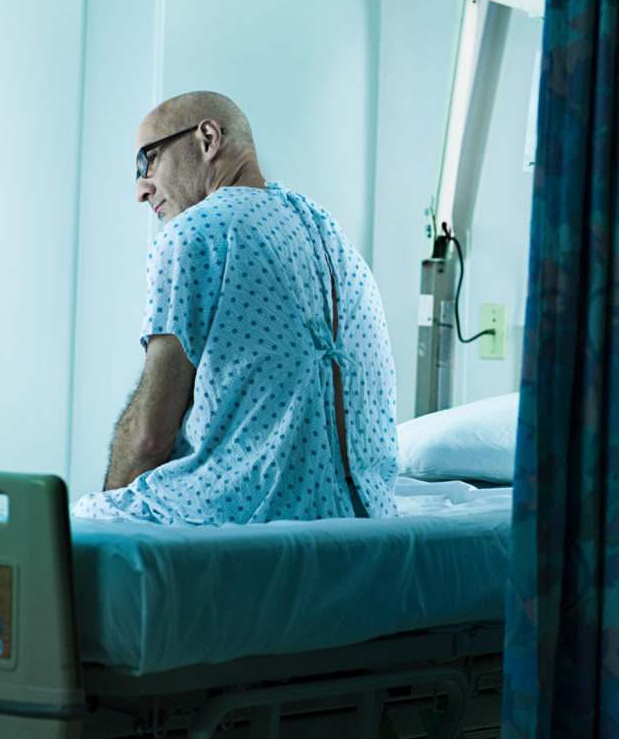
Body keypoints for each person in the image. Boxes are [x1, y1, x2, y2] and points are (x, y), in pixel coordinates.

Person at [72, 91, 398, 524]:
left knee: (72, 530)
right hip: (367, 517)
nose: (140, 190)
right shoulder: (330, 233)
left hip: (241, 518)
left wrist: (105, 520)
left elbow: (149, 437)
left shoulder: (196, 233)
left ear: (207, 138)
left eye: (146, 161)